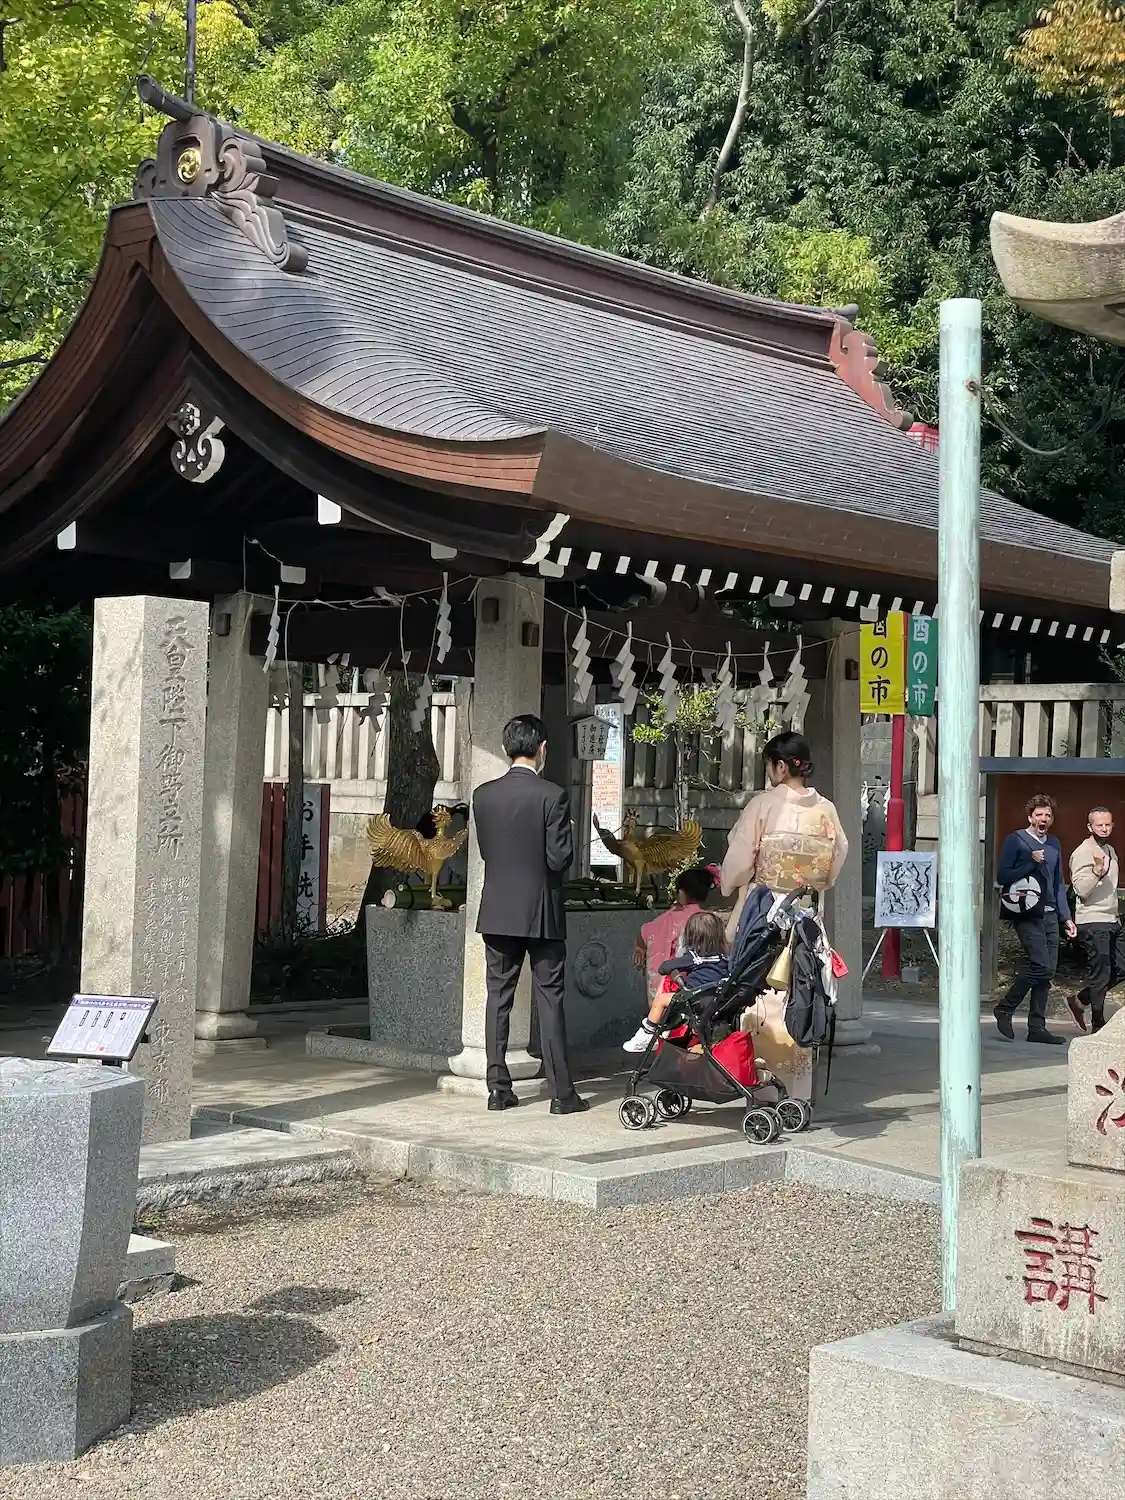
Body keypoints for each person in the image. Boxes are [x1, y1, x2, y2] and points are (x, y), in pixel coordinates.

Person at [471, 713, 588, 1115]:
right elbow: (558, 860)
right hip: (541, 911)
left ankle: (497, 1088)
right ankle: (561, 1094)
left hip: (498, 909)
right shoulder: (552, 795)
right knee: (550, 998)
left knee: (498, 998)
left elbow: (487, 852)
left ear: (506, 749)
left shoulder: (483, 796)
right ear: (543, 749)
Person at [720, 731, 848, 943]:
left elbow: (739, 860)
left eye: (768, 765)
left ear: (781, 767)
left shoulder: (762, 805)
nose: (768, 771)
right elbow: (839, 851)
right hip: (805, 912)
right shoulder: (825, 809)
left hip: (762, 910)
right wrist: (819, 881)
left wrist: (731, 884)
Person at [994, 794, 1076, 1044]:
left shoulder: (1054, 844)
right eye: (1039, 814)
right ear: (1030, 817)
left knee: (1047, 973)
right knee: (1042, 966)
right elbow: (1003, 876)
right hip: (1027, 913)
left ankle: (1037, 1027)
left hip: (1050, 914)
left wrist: (1066, 917)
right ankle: (1005, 1007)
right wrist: (1031, 862)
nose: (1044, 818)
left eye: (1048, 815)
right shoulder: (1016, 840)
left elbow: (1059, 883)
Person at [622, 909, 730, 1053]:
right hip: (718, 1001)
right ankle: (667, 1026)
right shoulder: (723, 959)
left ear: (692, 937)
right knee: (679, 998)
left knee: (661, 1000)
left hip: (695, 1000)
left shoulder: (694, 958)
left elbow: (664, 967)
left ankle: (648, 1034)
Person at [1068, 806, 1122, 1035]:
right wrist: (1096, 872)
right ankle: (1098, 1024)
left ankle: (1080, 1000)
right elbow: (1081, 890)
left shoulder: (1110, 850)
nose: (1104, 828)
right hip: (1093, 919)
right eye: (1099, 825)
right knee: (1100, 973)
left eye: (1108, 824)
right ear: (1090, 827)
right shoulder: (1083, 852)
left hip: (1112, 918)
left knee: (1121, 967)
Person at [631, 865, 717, 1004]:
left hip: (674, 984)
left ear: (681, 893)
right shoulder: (712, 919)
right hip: (706, 985)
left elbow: (645, 932)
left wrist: (640, 948)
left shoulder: (672, 917)